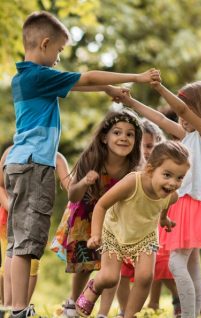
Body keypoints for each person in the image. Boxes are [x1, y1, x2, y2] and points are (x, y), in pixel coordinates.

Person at [5, 10, 159, 317]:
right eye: (59, 51)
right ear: (45, 44)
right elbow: (86, 78)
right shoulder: (38, 75)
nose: (60, 58)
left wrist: (106, 90)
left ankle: (11, 305)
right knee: (28, 243)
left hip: (18, 164)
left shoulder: (23, 78)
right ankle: (20, 309)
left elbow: (80, 84)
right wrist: (136, 77)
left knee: (15, 242)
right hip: (35, 166)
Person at [119, 79, 201, 317]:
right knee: (192, 266)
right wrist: (129, 102)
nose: (181, 117)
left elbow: (180, 109)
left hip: (191, 203)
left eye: (187, 109)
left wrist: (158, 87)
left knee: (175, 264)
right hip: (185, 204)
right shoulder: (189, 136)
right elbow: (160, 119)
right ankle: (195, 314)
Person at [75, 141, 191, 318]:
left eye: (179, 178)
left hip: (145, 236)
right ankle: (94, 287)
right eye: (167, 175)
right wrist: (95, 234)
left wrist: (163, 219)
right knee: (110, 277)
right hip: (115, 231)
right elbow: (102, 205)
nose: (173, 183)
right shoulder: (133, 182)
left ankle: (129, 315)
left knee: (145, 277)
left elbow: (165, 205)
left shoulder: (171, 196)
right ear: (150, 170)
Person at [49, 109, 143, 318]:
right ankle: (72, 303)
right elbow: (73, 195)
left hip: (115, 219)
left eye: (130, 134)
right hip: (85, 214)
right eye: (117, 132)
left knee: (112, 266)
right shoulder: (92, 158)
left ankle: (102, 312)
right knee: (85, 264)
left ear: (136, 141)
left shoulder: (135, 167)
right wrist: (84, 181)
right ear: (104, 137)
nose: (123, 138)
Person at [115, 120, 182, 317]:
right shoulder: (128, 169)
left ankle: (176, 298)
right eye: (141, 145)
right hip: (125, 228)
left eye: (150, 146)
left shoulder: (162, 173)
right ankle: (124, 309)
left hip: (150, 228)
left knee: (159, 267)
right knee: (123, 272)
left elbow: (168, 198)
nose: (145, 151)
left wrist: (164, 217)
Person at [0, 146, 71, 317]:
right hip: (9, 221)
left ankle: (20, 307)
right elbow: (0, 185)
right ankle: (10, 306)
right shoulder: (11, 153)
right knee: (10, 259)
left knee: (32, 263)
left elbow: (70, 185)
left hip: (36, 219)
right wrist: (11, 206)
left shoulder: (56, 157)